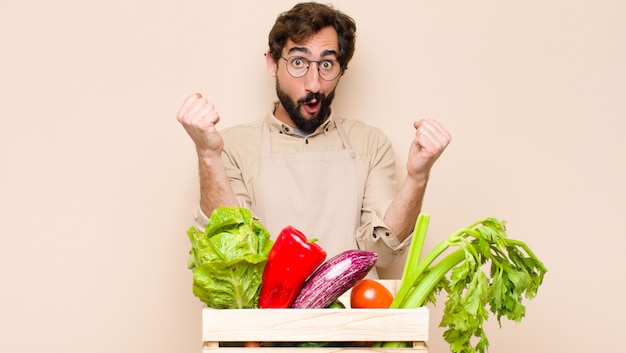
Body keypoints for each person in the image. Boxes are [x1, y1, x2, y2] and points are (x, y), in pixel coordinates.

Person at [176, 2, 451, 276]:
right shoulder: (232, 146)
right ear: (272, 63)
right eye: (298, 62)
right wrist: (208, 154)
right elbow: (231, 251)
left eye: (327, 64)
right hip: (267, 318)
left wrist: (418, 177)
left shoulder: (370, 143)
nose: (314, 84)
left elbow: (383, 253)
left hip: (352, 316)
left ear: (341, 69)